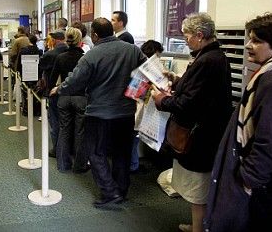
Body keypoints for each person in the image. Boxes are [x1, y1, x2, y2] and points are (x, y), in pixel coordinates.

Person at [204, 13, 272, 232]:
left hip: (269, 187)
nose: (248, 45)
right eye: (249, 38)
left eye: (257, 40)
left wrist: (248, 178)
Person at [50, 17, 146, 208]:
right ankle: (121, 191)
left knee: (96, 153)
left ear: (94, 35)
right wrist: (136, 93)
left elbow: (75, 81)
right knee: (122, 153)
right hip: (126, 112)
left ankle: (110, 193)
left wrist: (59, 89)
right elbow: (147, 72)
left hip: (99, 114)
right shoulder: (133, 50)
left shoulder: (91, 55)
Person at [151, 13, 232, 232]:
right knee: (197, 188)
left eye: (186, 34)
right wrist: (177, 80)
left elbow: (189, 103)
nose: (184, 39)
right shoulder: (212, 56)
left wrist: (162, 100)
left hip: (200, 134)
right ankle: (198, 226)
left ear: (199, 35)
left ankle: (199, 229)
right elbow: (200, 91)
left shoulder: (207, 60)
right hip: (205, 131)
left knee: (198, 189)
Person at [49, 27, 88, 173]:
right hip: (81, 98)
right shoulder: (85, 58)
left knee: (64, 130)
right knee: (80, 132)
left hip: (64, 97)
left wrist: (53, 91)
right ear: (80, 41)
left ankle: (63, 165)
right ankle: (79, 165)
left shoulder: (60, 57)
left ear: (67, 40)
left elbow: (52, 79)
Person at [130, 40, 164, 174]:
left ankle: (133, 163)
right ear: (155, 53)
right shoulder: (147, 69)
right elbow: (138, 92)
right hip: (139, 106)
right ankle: (133, 165)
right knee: (133, 139)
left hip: (134, 106)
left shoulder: (136, 64)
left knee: (133, 138)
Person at [39, 30, 68, 157]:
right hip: (70, 91)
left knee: (55, 122)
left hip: (53, 92)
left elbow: (41, 70)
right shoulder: (73, 52)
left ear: (54, 40)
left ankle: (56, 149)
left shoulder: (50, 55)